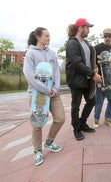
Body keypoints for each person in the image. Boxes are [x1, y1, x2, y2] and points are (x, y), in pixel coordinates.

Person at [23, 27, 65, 166]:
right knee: (37, 123)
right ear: (38, 37)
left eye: (49, 36)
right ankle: (37, 152)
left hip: (53, 93)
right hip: (37, 95)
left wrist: (55, 88)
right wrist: (46, 90)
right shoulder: (30, 54)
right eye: (46, 36)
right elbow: (29, 76)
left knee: (60, 119)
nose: (49, 38)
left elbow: (57, 72)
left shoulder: (52, 53)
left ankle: (48, 142)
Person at [66, 18, 102, 141]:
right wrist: (93, 74)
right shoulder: (72, 43)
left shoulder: (87, 44)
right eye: (86, 27)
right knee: (75, 106)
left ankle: (82, 123)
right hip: (76, 80)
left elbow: (89, 60)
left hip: (87, 79)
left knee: (92, 101)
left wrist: (95, 67)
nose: (88, 30)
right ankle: (76, 129)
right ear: (80, 27)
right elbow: (77, 63)